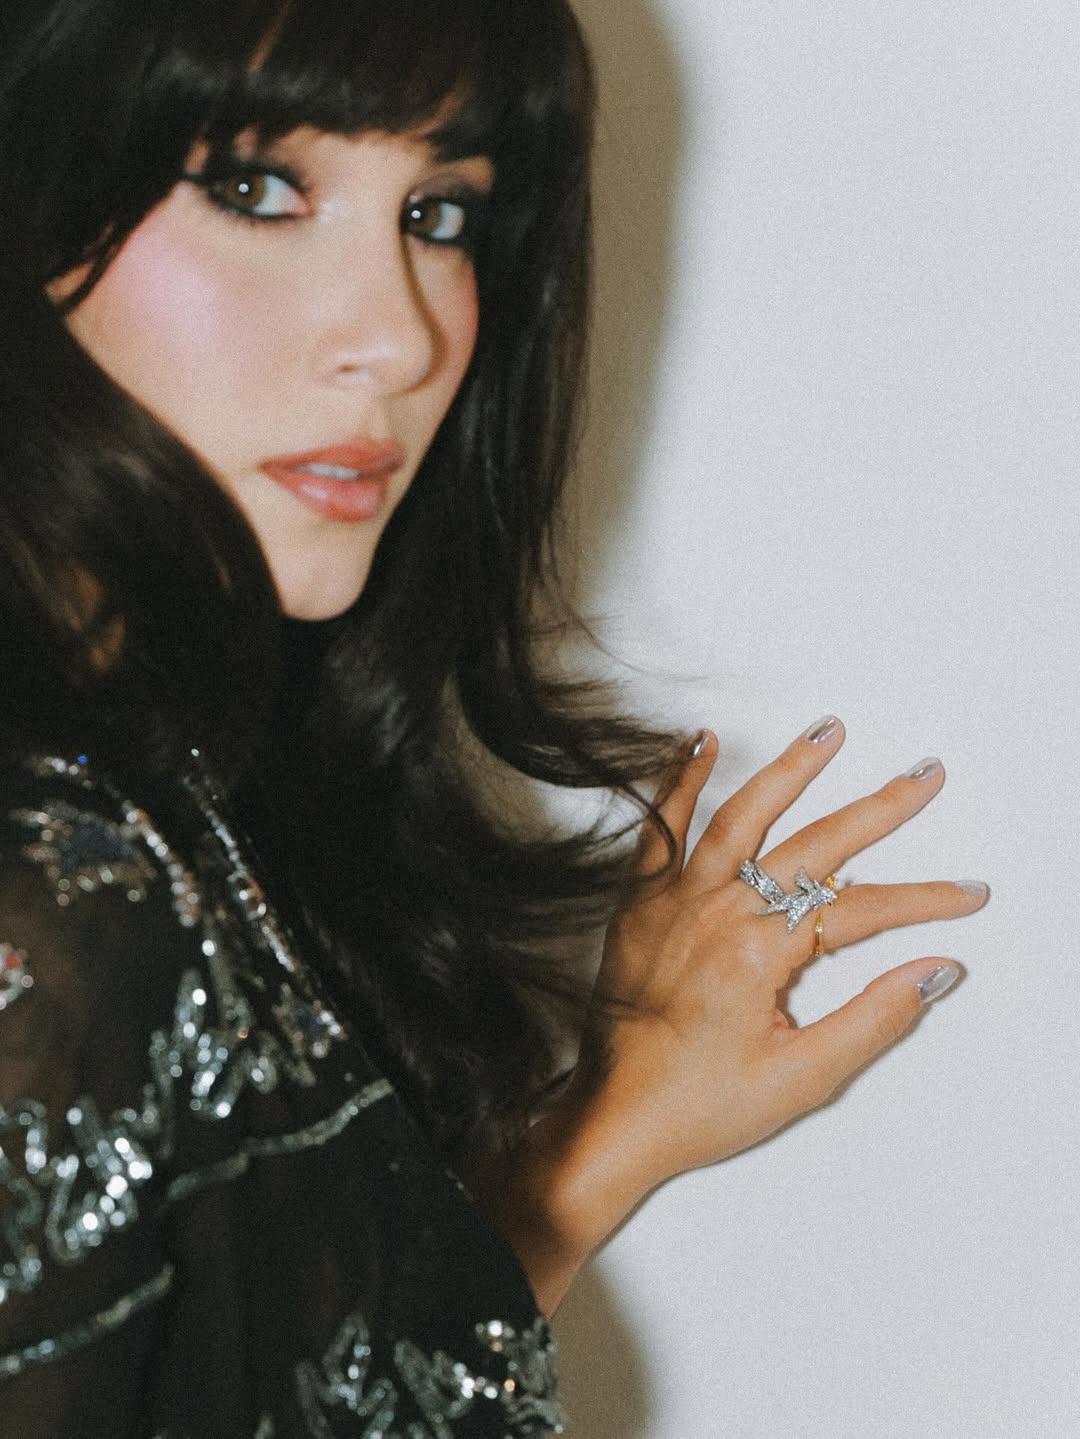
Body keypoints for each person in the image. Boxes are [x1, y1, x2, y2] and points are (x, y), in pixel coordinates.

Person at [0, 2, 988, 1435]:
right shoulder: (54, 904)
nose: (398, 337)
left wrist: (601, 1138)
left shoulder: (161, 798)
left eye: (440, 214)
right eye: (256, 187)